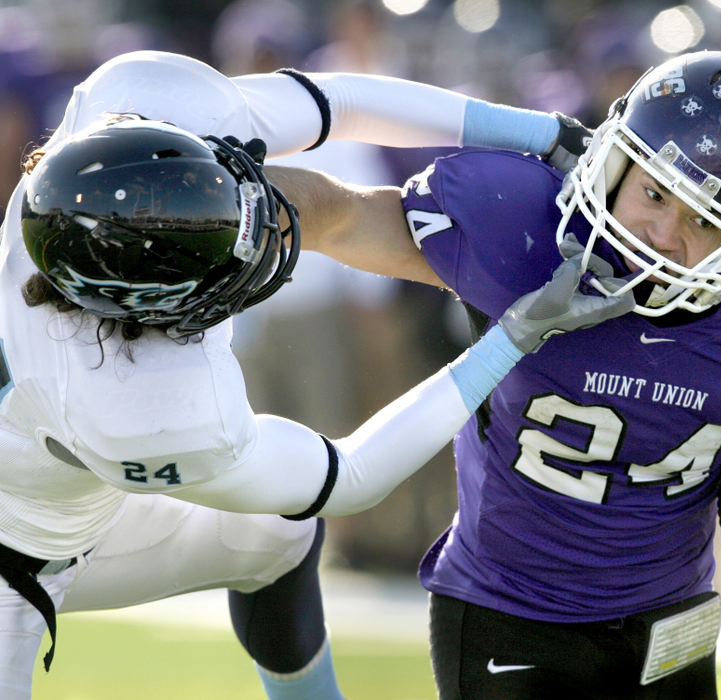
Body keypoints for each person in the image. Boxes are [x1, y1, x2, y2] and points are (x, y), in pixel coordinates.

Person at [0, 50, 629, 699]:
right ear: (153, 312)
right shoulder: (136, 409)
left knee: (279, 531)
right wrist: (512, 338)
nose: (267, 226)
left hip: (51, 481)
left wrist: (545, 134)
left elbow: (340, 101)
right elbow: (349, 476)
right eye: (219, 256)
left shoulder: (146, 98)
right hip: (17, 561)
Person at [289, 50, 721, 699]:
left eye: (703, 222)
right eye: (653, 192)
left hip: (670, 615)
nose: (660, 233)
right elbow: (341, 214)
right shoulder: (522, 230)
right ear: (615, 162)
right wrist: (226, 200)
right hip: (508, 612)